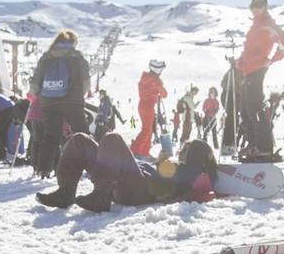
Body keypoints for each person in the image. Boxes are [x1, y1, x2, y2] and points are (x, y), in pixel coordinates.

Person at [36, 132, 217, 212]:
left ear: (195, 154)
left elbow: (199, 191)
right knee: (80, 141)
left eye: (186, 149)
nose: (180, 151)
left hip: (139, 188)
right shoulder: (179, 168)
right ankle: (66, 192)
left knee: (113, 139)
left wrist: (165, 164)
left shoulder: (195, 173)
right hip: (127, 180)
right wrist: (160, 162)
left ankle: (101, 195)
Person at [237, 0, 284, 161]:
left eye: (259, 5)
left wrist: (272, 59)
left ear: (265, 7)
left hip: (257, 69)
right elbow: (249, 51)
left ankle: (264, 147)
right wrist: (238, 62)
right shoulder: (255, 25)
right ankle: (253, 144)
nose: (255, 9)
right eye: (253, 6)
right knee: (245, 109)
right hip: (248, 70)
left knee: (254, 107)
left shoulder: (267, 23)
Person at [30, 30, 91, 177]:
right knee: (81, 132)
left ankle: (43, 169)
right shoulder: (77, 56)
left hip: (49, 101)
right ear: (72, 42)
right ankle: (91, 165)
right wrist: (78, 95)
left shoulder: (45, 57)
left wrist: (42, 96)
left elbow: (35, 84)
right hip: (72, 100)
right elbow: (85, 81)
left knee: (50, 135)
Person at [130, 59, 167, 156]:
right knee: (147, 130)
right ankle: (134, 150)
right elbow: (164, 94)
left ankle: (144, 151)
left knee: (148, 130)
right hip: (149, 106)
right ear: (158, 70)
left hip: (142, 104)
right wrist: (160, 86)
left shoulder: (144, 78)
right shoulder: (156, 80)